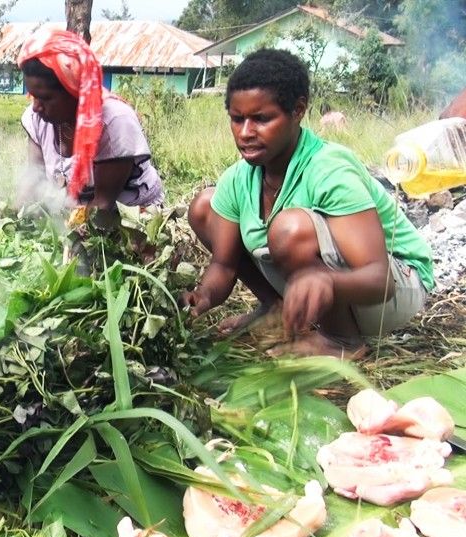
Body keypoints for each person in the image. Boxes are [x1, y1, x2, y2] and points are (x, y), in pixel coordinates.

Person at [182, 49, 434, 358]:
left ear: (298, 110)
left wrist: (326, 280)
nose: (245, 132)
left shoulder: (328, 169)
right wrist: (202, 296)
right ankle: (274, 308)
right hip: (328, 284)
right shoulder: (239, 179)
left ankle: (342, 340)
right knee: (205, 206)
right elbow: (224, 264)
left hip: (395, 287)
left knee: (288, 229)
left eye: (261, 119)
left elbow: (379, 281)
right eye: (237, 119)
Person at [16, 29, 164, 212]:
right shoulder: (37, 118)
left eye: (45, 98)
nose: (36, 106)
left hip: (131, 217)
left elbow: (102, 205)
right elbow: (34, 180)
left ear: (74, 91)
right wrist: (15, 216)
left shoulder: (114, 123)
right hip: (76, 212)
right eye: (32, 95)